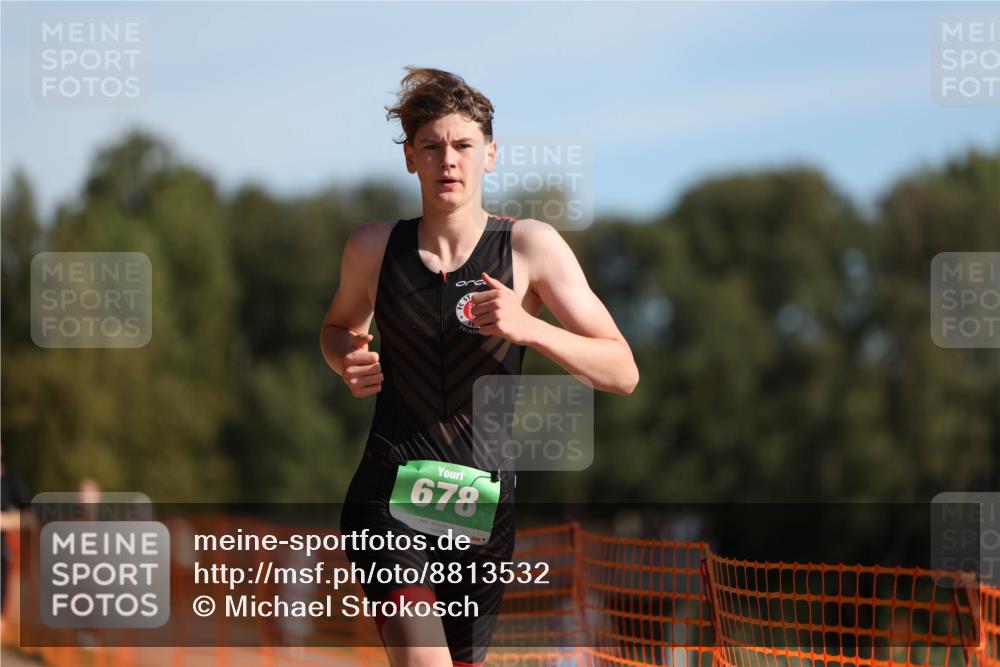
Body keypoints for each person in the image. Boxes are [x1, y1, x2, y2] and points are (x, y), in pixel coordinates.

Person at [320, 66, 638, 667]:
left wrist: (531, 327)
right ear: (410, 158)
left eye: (464, 146)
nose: (449, 161)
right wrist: (347, 361)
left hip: (479, 506)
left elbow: (622, 370)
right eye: (432, 147)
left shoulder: (530, 247)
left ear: (490, 155)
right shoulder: (373, 247)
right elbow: (338, 330)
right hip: (387, 492)